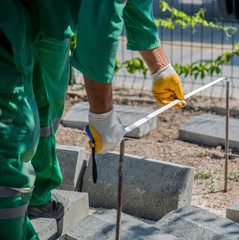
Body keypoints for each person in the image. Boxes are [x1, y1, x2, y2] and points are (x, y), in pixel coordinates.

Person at [0, 0, 186, 239]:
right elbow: (99, 32)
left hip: (45, 13)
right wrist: (102, 113)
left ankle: (37, 198)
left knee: (46, 99)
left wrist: (160, 67)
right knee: (12, 133)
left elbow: (134, 2)